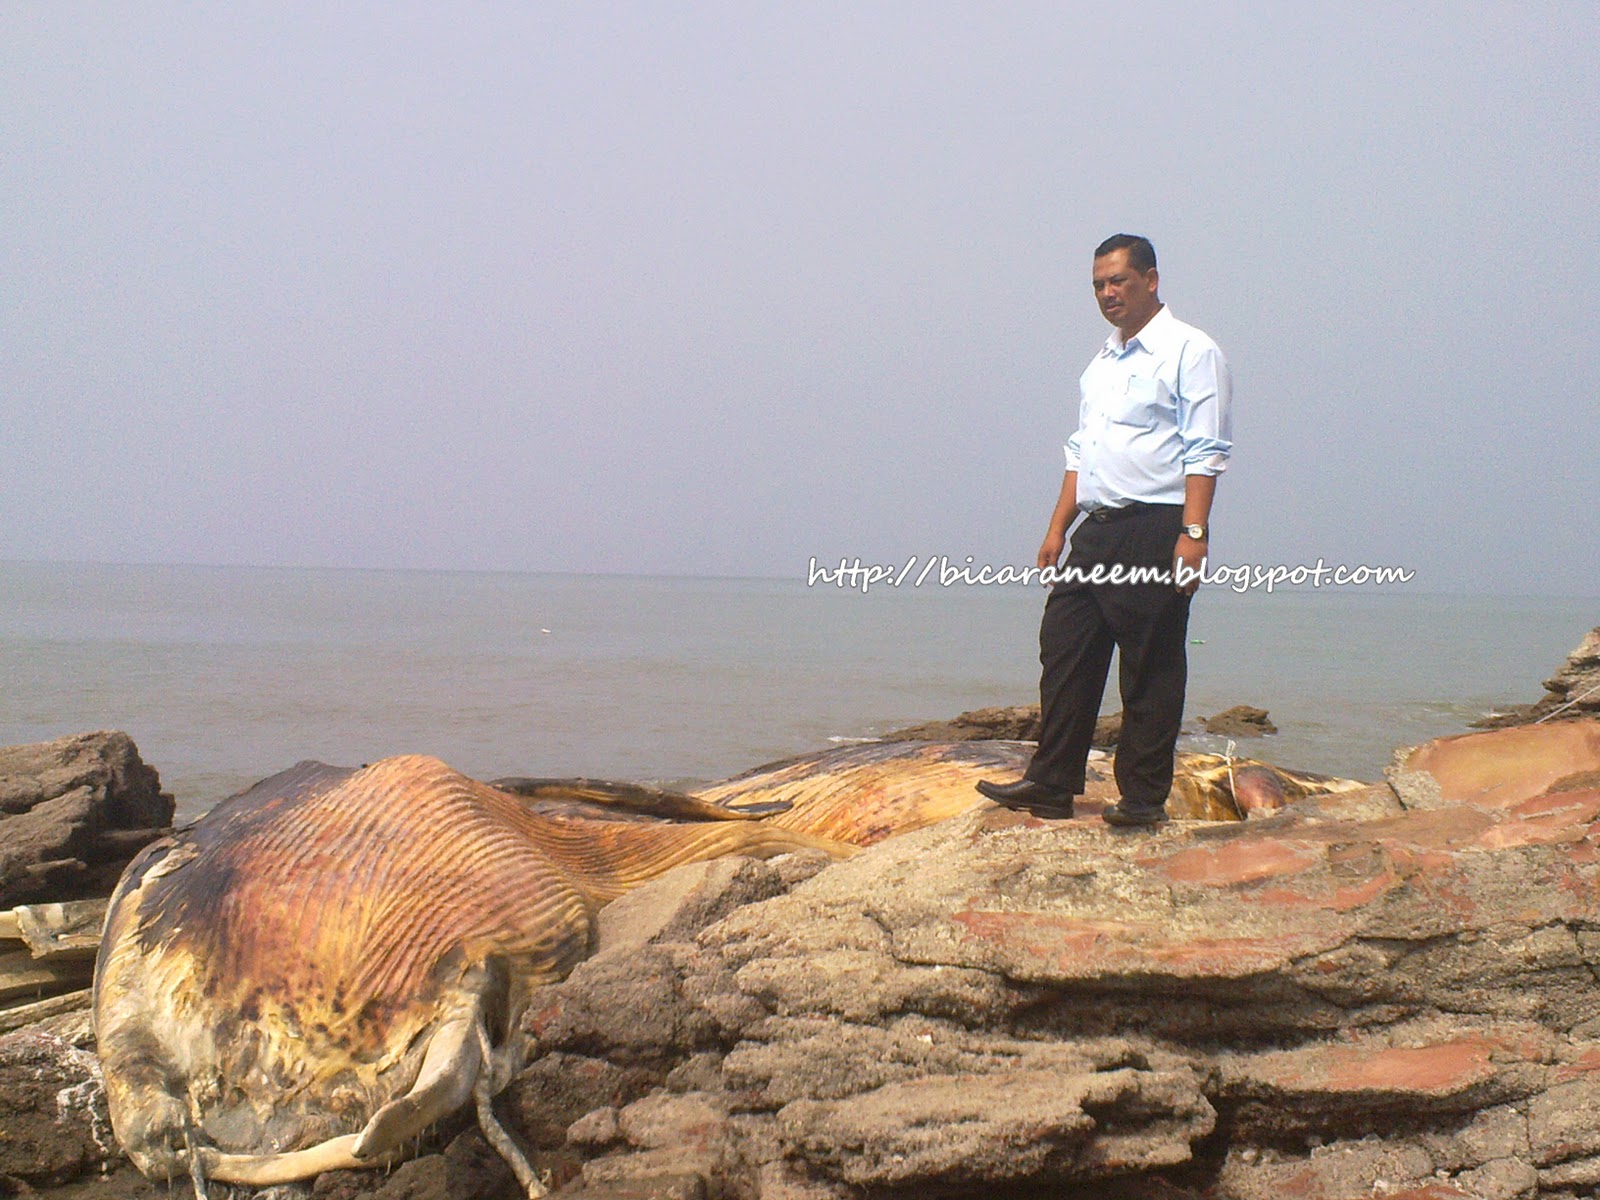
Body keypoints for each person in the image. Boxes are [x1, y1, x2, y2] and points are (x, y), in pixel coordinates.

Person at [977, 234, 1232, 827]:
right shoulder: (1101, 362)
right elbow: (1080, 451)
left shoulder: (1191, 351)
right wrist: (1056, 529)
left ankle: (1143, 799)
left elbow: (1206, 448)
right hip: (1095, 528)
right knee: (1065, 648)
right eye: (1098, 284)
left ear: (1151, 280)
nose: (1108, 293)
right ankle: (1050, 782)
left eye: (1118, 281)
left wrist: (1194, 532)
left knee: (1150, 661)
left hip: (1156, 524)